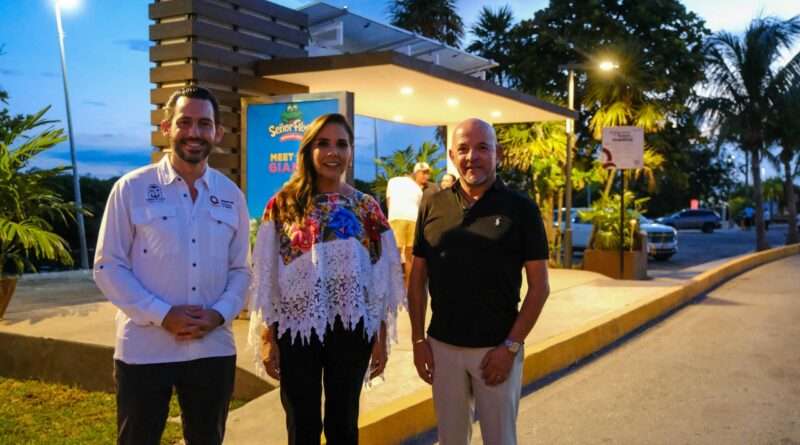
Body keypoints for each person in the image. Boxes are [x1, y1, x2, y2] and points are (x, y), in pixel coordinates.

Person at [93, 86, 250, 445]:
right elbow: (108, 266)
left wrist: (218, 315)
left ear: (217, 133)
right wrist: (163, 314)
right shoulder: (131, 188)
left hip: (213, 348)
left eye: (204, 124)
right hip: (145, 349)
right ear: (166, 128)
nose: (195, 132)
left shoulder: (231, 196)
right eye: (185, 122)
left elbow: (242, 269)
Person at [248, 113, 405, 445]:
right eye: (323, 144)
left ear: (350, 152)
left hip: (351, 327)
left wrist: (380, 335)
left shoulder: (366, 207)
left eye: (341, 144)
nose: (333, 152)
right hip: (296, 327)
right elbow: (267, 278)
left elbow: (379, 282)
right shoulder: (283, 205)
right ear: (308, 150)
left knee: (343, 423)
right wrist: (267, 336)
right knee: (301, 424)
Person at [407, 118, 551, 445]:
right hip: (443, 349)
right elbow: (417, 278)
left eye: (482, 148)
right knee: (450, 439)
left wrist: (510, 347)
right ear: (452, 156)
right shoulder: (432, 203)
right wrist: (418, 340)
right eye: (463, 149)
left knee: (500, 439)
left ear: (497, 153)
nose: (472, 156)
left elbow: (539, 287)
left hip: (496, 349)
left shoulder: (522, 209)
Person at [386, 161, 434, 285]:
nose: (426, 177)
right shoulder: (417, 188)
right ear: (415, 173)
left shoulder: (394, 182)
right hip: (405, 219)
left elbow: (389, 202)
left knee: (400, 253)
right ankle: (405, 286)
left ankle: (400, 286)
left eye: (427, 174)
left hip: (402, 218)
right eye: (423, 173)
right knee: (406, 253)